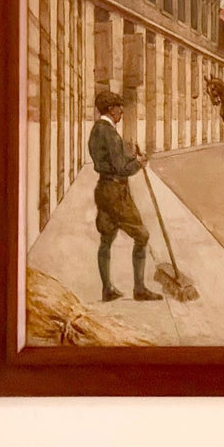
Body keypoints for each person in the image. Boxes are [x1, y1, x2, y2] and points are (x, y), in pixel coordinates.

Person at [87, 90, 162, 302]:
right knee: (142, 235)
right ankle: (139, 289)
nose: (122, 111)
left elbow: (111, 160)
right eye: (119, 108)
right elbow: (120, 168)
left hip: (103, 188)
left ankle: (107, 290)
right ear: (111, 109)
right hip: (116, 192)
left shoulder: (97, 130)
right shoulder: (109, 133)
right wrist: (139, 162)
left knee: (106, 238)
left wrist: (130, 156)